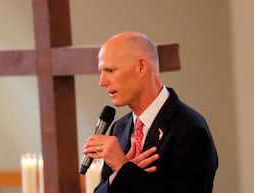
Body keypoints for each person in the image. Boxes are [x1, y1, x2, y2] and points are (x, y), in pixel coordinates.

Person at [82, 31, 218, 193]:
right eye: (101, 72)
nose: (102, 82)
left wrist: (123, 167)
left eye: (110, 70)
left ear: (141, 66)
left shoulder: (190, 129)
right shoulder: (119, 128)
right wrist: (116, 176)